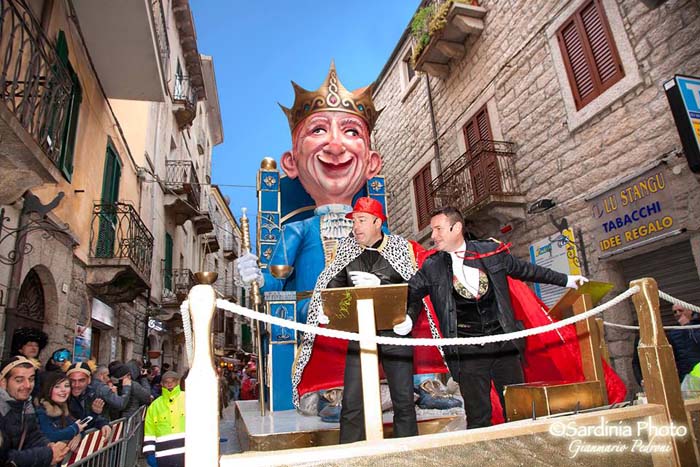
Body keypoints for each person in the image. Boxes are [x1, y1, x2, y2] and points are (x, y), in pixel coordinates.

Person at [406, 206, 589, 429]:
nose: (433, 236)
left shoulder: (490, 252)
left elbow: (527, 270)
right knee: (478, 417)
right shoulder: (431, 266)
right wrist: (404, 314)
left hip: (504, 345)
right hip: (466, 353)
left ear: (457, 228)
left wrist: (566, 280)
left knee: (518, 409)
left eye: (438, 229)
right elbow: (409, 294)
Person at [236, 62, 382, 326]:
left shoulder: (378, 230)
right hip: (314, 327)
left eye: (351, 132)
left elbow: (402, 271)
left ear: (372, 163)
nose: (335, 147)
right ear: (291, 163)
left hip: (370, 325)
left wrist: (384, 283)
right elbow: (273, 284)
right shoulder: (297, 231)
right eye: (318, 130)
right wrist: (255, 278)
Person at [303, 197, 424, 442]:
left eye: (361, 220)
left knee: (403, 400)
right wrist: (328, 309)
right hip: (360, 334)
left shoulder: (400, 248)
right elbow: (333, 286)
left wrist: (408, 316)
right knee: (352, 401)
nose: (355, 226)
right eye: (353, 221)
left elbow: (415, 290)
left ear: (377, 222)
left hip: (396, 333)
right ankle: (351, 453)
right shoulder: (346, 250)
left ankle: (408, 452)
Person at [0, 356, 70, 466]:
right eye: (19, 380)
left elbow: (32, 435)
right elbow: (4, 458)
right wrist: (48, 455)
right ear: (3, 382)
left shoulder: (26, 406)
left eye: (31, 379)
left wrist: (49, 446)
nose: (27, 385)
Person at [35, 371, 88, 450]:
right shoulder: (41, 411)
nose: (63, 390)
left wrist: (78, 435)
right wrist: (74, 429)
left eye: (66, 386)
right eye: (57, 386)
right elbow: (49, 435)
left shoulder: (64, 408)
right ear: (48, 389)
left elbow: (80, 425)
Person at [143, 371, 185, 467]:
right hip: (163, 457)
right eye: (166, 382)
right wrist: (150, 454)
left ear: (177, 382)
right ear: (162, 384)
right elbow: (149, 432)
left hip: (187, 455)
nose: (170, 384)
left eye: (172, 381)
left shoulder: (188, 399)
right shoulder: (155, 406)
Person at [66, 362, 111, 440]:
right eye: (72, 381)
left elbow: (94, 418)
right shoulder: (63, 396)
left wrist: (104, 424)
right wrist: (78, 432)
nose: (76, 385)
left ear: (89, 380)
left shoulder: (92, 394)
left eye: (81, 380)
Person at [666, 304, 700, 380]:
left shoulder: (697, 326)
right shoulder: (673, 332)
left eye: (680, 310)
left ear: (690, 311)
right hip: (684, 375)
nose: (678, 314)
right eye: (675, 312)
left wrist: (687, 326)